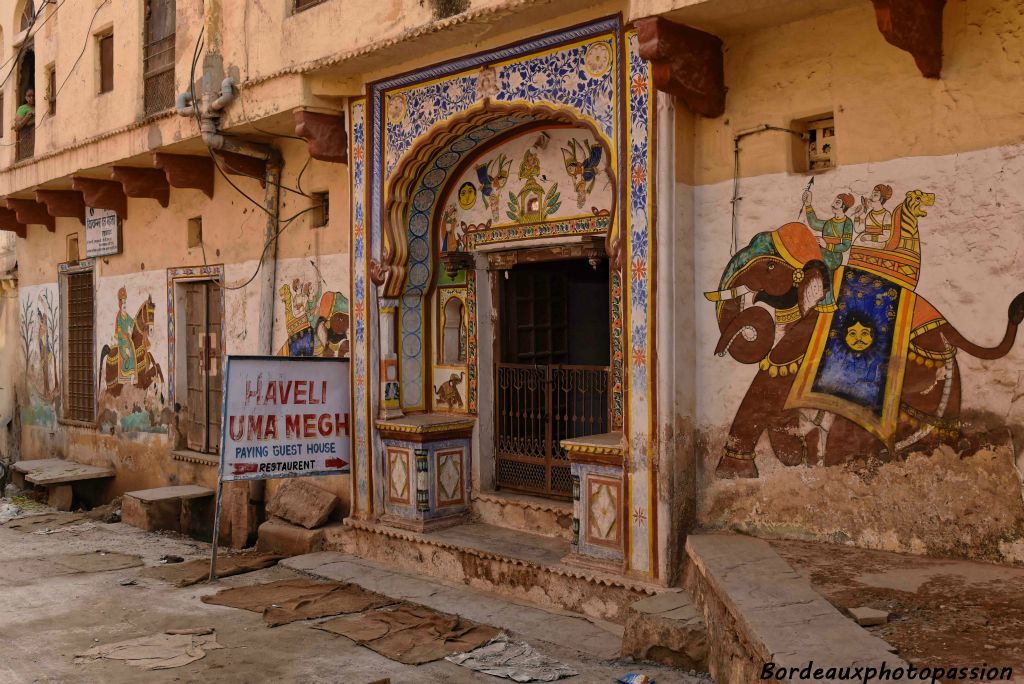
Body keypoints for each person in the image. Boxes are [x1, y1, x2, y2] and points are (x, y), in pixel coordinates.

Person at [802, 189, 855, 311]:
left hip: (834, 256)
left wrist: (827, 246)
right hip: (823, 252)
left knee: (822, 269)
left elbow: (846, 245)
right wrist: (808, 204)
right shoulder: (829, 222)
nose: (833, 204)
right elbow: (814, 223)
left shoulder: (847, 223)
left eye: (837, 203)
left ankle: (827, 303)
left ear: (843, 206)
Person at [114, 287, 137, 383]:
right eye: (123, 303)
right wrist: (125, 335)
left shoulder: (126, 315)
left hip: (127, 337)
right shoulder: (119, 316)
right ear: (120, 304)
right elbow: (118, 330)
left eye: (125, 303)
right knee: (127, 351)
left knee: (132, 347)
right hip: (121, 339)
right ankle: (127, 371)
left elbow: (133, 322)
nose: (124, 305)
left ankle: (133, 373)